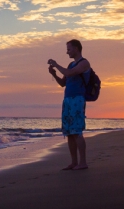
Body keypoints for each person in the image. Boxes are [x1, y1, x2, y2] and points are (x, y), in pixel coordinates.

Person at [47, 39, 90, 171]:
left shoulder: (84, 63)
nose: (67, 52)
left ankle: (83, 162)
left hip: (77, 99)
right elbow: (63, 83)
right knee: (69, 132)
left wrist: (56, 64)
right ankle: (74, 162)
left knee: (77, 131)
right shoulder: (70, 64)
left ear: (76, 48)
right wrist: (54, 73)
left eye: (69, 49)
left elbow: (70, 73)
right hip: (67, 100)